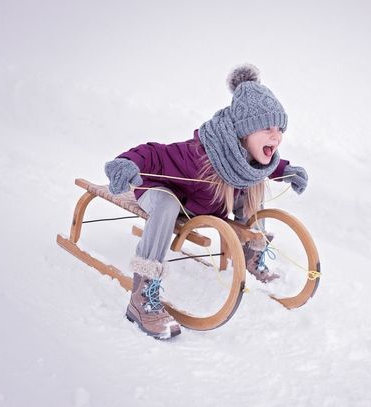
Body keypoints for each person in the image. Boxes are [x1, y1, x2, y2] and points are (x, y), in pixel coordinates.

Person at [104, 64, 308, 340]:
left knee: (252, 186)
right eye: (267, 128)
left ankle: (250, 252)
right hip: (159, 190)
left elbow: (267, 165)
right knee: (166, 203)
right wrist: (126, 163)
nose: (276, 135)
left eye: (280, 129)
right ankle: (142, 296)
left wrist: (287, 171)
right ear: (244, 132)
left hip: (201, 203)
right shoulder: (199, 156)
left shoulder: (245, 158)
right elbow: (154, 153)